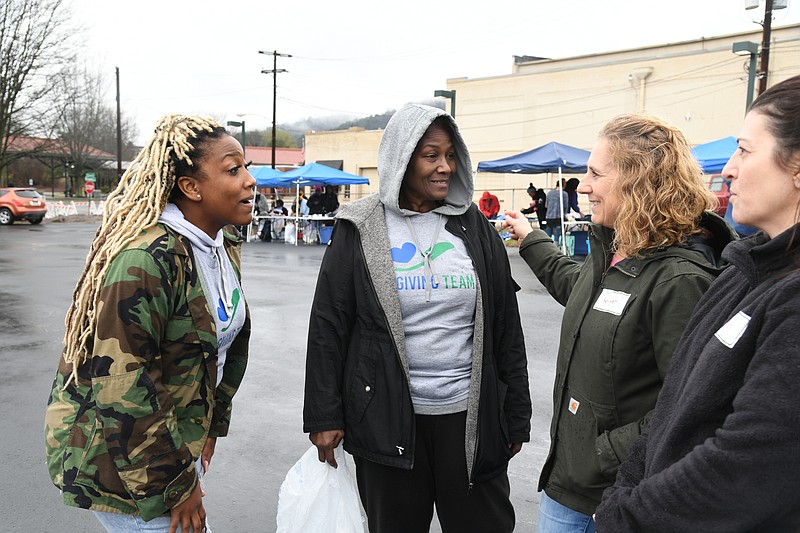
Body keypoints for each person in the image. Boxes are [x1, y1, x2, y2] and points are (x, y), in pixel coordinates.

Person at [303, 103, 532, 533]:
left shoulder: (473, 227)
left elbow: (506, 326)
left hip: (470, 421)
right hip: (385, 418)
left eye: (450, 155)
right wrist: (324, 416)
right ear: (401, 159)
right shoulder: (360, 228)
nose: (445, 167)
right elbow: (329, 328)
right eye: (431, 156)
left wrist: (515, 413)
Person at [502, 114, 735, 533]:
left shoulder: (680, 281)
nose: (583, 186)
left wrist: (601, 452)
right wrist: (531, 237)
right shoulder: (615, 250)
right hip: (569, 482)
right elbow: (575, 286)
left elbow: (689, 405)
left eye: (594, 173)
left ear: (638, 179)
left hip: (614, 497)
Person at [595, 75, 800, 532]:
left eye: (745, 150)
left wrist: (625, 516)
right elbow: (673, 407)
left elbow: (750, 466)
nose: (728, 168)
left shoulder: (787, 296)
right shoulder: (740, 274)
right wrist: (620, 492)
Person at [44, 114, 254, 533]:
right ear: (190, 187)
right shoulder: (146, 261)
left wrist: (211, 427)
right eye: (234, 170)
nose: (250, 180)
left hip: (171, 446)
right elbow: (122, 383)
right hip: (127, 465)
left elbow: (215, 351)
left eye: (246, 167)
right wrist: (176, 485)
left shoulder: (219, 245)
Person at [544, 179, 568, 245]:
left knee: (548, 235)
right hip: (558, 216)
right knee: (556, 236)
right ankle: (556, 249)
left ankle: (546, 248)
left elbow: (546, 205)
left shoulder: (549, 193)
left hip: (549, 216)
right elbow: (566, 206)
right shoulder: (564, 194)